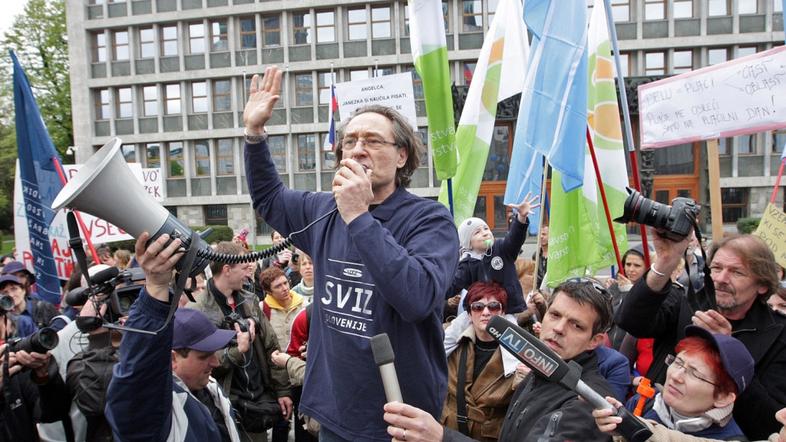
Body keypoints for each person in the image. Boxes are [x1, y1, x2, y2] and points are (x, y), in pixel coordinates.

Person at [244, 66, 459, 441]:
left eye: (373, 141)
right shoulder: (323, 209)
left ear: (402, 156)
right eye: (351, 140)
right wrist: (254, 135)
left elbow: (418, 298)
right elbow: (269, 198)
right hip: (336, 413)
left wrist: (359, 215)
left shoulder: (430, 220)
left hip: (399, 419)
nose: (358, 148)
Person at [383, 278, 617, 441]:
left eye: (576, 325)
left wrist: (442, 436)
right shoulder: (542, 371)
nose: (558, 329)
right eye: (555, 315)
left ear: (594, 340)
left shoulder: (591, 399)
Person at [616, 233, 786, 439]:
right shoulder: (686, 302)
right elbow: (629, 320)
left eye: (737, 272)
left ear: (763, 285)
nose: (721, 279)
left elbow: (772, 422)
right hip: (652, 423)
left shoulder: (779, 334)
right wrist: (665, 262)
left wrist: (729, 351)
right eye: (716, 268)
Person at [105, 233, 241, 441]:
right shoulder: (153, 412)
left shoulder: (211, 390)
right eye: (204, 356)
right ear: (172, 358)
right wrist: (156, 288)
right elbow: (138, 375)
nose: (215, 361)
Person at [187, 241, 292, 442]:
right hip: (223, 408)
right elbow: (198, 364)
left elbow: (271, 346)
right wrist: (239, 350)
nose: (248, 273)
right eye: (244, 268)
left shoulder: (250, 300)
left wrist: (282, 390)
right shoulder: (197, 311)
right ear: (227, 269)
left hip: (257, 404)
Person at [593, 326, 753, 440]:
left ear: (723, 397)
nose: (676, 376)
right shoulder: (645, 401)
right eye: (678, 362)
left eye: (695, 373)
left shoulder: (729, 438)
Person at [441, 281, 522, 441]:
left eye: (493, 307)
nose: (485, 312)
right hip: (448, 432)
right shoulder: (453, 344)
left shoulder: (517, 357)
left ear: (502, 312)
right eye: (478, 307)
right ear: (469, 314)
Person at [449, 193, 540, 315]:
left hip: (508, 310)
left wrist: (521, 219)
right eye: (477, 232)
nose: (485, 233)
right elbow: (452, 286)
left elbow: (514, 238)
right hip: (479, 313)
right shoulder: (466, 264)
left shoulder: (501, 248)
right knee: (455, 330)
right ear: (468, 243)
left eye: (486, 229)